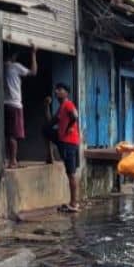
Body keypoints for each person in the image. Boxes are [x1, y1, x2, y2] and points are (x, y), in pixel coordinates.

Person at [46, 82, 81, 213]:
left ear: (66, 93)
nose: (56, 92)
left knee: (71, 173)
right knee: (46, 130)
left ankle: (73, 203)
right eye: (56, 90)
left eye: (60, 90)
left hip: (69, 142)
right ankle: (49, 156)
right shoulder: (61, 108)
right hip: (65, 141)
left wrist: (68, 127)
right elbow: (50, 123)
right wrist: (46, 107)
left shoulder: (68, 104)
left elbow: (75, 116)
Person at [4, 45, 37, 169]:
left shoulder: (2, 67)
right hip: (15, 104)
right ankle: (13, 161)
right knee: (13, 135)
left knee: (8, 134)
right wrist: (33, 53)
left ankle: (8, 159)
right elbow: (33, 72)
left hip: (4, 104)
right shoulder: (15, 67)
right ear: (14, 56)